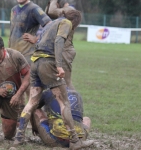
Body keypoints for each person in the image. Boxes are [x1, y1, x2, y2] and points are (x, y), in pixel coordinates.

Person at [13, 9, 93, 150]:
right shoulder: (67, 23)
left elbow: (39, 41)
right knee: (64, 103)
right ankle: (75, 141)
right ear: (76, 23)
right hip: (48, 63)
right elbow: (58, 41)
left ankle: (18, 139)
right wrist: (59, 65)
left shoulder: (51, 23)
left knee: (32, 101)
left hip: (35, 62)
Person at [9, 0, 51, 98]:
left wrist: (37, 38)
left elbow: (50, 25)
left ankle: (33, 112)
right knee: (15, 84)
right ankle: (21, 112)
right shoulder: (14, 9)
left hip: (27, 54)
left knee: (26, 85)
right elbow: (12, 31)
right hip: (13, 53)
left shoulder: (34, 9)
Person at [45, 0, 76, 90]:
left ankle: (74, 104)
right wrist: (52, 0)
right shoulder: (63, 12)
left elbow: (51, 11)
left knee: (66, 82)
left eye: (54, 3)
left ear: (58, 4)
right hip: (60, 49)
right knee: (57, 83)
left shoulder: (70, 10)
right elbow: (47, 13)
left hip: (65, 50)